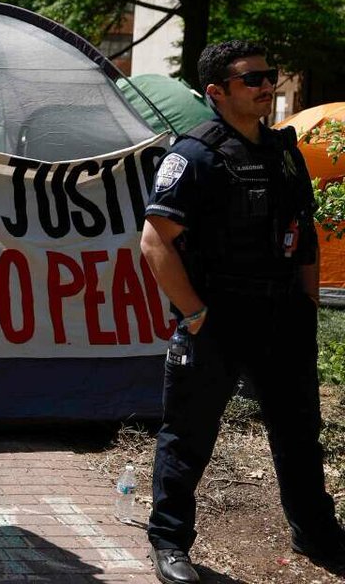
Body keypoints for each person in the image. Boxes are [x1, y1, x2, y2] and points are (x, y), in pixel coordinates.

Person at [141, 40, 345, 584]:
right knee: (188, 435)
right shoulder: (196, 154)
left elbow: (304, 236)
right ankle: (169, 542)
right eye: (251, 78)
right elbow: (155, 242)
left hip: (282, 317)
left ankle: (317, 534)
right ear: (216, 91)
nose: (266, 85)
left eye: (269, 75)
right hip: (218, 319)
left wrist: (307, 300)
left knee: (300, 432)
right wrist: (196, 315)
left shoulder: (284, 151)